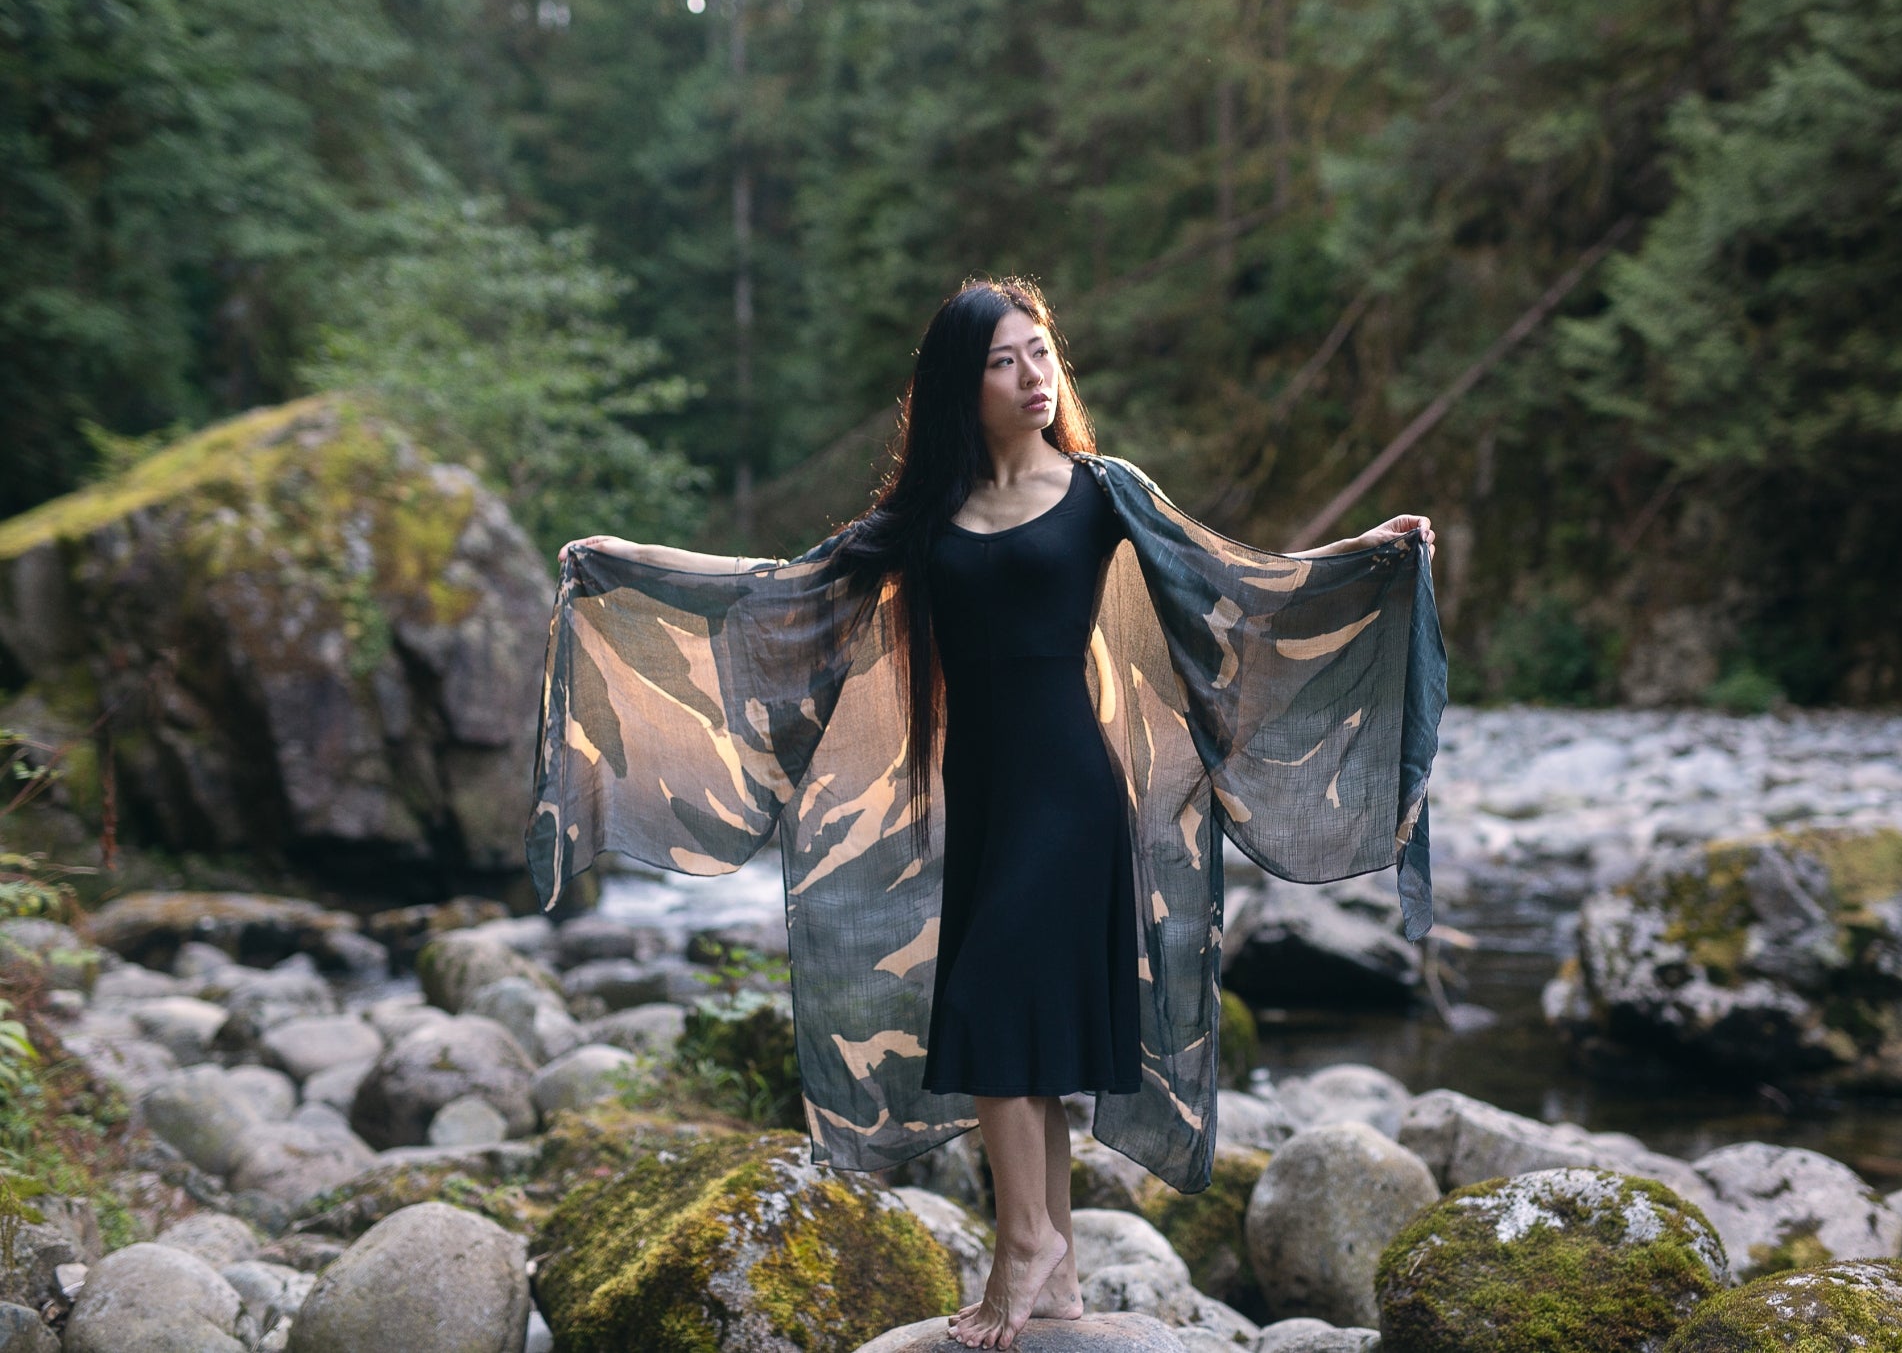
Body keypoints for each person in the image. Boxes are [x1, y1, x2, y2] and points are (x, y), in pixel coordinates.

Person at [547, 276, 1437, 1351]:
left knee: (985, 1012)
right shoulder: (922, 521)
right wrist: (620, 569)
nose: (1032, 376)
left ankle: (1022, 1251)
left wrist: (1365, 560)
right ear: (957, 386)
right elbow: (773, 596)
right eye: (1005, 360)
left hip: (1068, 790)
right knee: (1021, 1034)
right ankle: (1052, 1269)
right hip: (982, 800)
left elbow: (1240, 586)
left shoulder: (1103, 493)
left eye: (1042, 354)